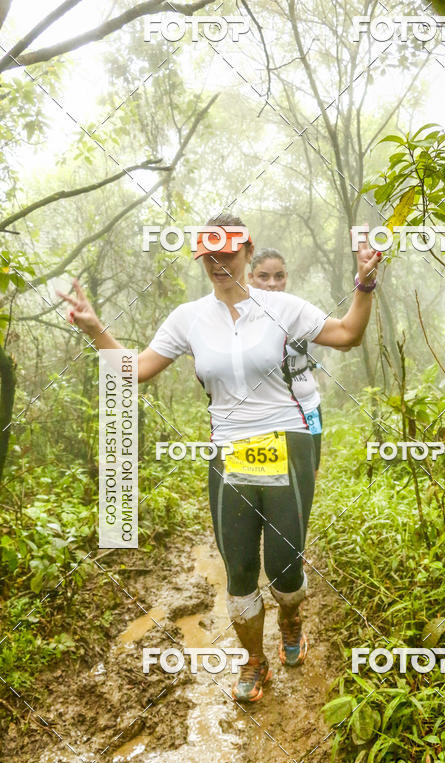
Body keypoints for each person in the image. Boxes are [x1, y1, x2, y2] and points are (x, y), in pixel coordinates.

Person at [62, 213, 381, 703]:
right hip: (228, 449)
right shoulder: (188, 318)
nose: (217, 264)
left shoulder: (282, 307)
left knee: (283, 565)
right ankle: (254, 661)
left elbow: (347, 334)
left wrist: (364, 283)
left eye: (227, 254)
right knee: (237, 568)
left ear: (248, 252)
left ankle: (292, 618)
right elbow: (135, 370)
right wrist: (95, 330)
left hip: (286, 440)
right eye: (208, 257)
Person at [248, 248, 324, 470]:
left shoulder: (301, 313)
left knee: (308, 472)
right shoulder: (239, 317)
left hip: (307, 408)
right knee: (264, 479)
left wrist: (364, 286)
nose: (272, 283)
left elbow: (347, 339)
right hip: (260, 416)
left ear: (286, 279)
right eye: (264, 276)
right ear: (250, 278)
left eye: (279, 276)